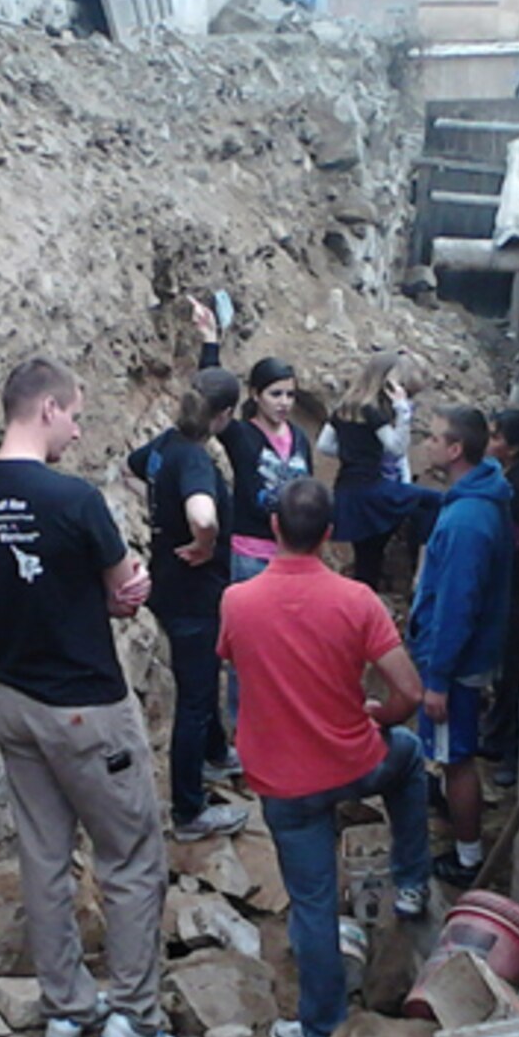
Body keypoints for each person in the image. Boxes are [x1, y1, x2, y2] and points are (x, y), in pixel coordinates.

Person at [0, 358, 181, 1037]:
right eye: (75, 414)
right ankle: (136, 1018)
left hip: (12, 700)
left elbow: (23, 590)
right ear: (45, 408)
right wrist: (126, 594)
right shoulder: (74, 499)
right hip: (84, 705)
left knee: (45, 859)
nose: (78, 431)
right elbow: (123, 589)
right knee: (132, 858)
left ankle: (65, 1012)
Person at [217, 478, 431, 1037]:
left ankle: (320, 1032)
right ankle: (411, 880)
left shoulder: (238, 601)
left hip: (283, 781)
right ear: (330, 535)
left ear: (276, 530)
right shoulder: (358, 600)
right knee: (408, 758)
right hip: (354, 762)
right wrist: (379, 715)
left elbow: (233, 659)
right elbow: (408, 690)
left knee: (311, 904)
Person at [127, 367, 252, 842]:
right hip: (194, 594)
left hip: (169, 585)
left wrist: (162, 510)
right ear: (224, 415)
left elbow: (132, 467)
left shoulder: (164, 444)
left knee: (205, 676)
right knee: (196, 698)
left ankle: (217, 756)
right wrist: (204, 540)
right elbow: (203, 513)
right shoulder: (196, 460)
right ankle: (188, 811)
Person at [190, 296, 314, 737]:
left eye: (290, 395)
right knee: (246, 651)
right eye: (276, 394)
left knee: (289, 649)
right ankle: (244, 733)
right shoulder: (241, 436)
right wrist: (210, 343)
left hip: (289, 556)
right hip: (248, 553)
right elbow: (208, 401)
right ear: (257, 395)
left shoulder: (299, 439)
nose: (284, 403)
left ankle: (282, 726)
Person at [409, 406, 513, 887]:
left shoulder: (467, 522)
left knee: (455, 759)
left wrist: (437, 678)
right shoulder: (478, 499)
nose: (426, 444)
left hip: (457, 666)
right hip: (465, 659)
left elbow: (457, 607)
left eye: (433, 438)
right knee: (454, 754)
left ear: (455, 451)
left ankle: (467, 857)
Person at [318, 353, 442, 590]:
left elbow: (324, 445)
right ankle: (422, 571)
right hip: (373, 491)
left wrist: (351, 453)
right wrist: (403, 410)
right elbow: (396, 449)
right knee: (433, 501)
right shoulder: (374, 412)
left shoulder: (343, 409)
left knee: (367, 561)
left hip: (346, 493)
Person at [483, 408, 519, 788]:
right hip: (510, 589)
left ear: (513, 448)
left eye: (497, 437)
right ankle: (497, 737)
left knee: (513, 670)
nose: (490, 443)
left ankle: (511, 753)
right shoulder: (511, 479)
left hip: (518, 591)